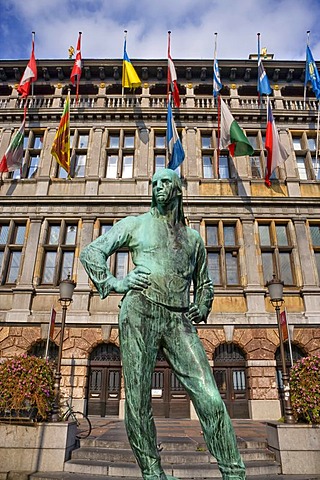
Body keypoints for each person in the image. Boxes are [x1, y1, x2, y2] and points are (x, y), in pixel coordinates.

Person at [80, 168, 246, 480]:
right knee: (139, 398)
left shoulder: (194, 240)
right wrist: (116, 283)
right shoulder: (136, 224)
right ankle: (153, 471)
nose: (157, 187)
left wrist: (203, 302)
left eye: (164, 182)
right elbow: (91, 253)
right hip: (139, 310)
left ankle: (234, 471)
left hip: (179, 318)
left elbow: (205, 282)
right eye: (153, 182)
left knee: (209, 394)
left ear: (178, 190)